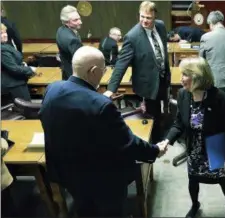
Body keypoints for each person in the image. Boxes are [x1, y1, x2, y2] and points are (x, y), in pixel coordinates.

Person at [39, 46, 168, 217]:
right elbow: (127, 143)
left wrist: (96, 100)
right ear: (93, 71)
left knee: (84, 210)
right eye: (103, 69)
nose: (104, 73)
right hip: (101, 180)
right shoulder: (101, 105)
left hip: (68, 173)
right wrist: (155, 150)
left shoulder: (52, 89)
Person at [160, 57, 225, 218]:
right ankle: (195, 204)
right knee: (193, 179)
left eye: (185, 74)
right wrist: (167, 140)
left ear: (198, 76)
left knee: (222, 180)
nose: (181, 78)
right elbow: (179, 123)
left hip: (215, 148)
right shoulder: (183, 94)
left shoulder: (220, 98)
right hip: (194, 149)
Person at [103, 1, 171, 144]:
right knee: (152, 115)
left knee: (163, 109)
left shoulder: (160, 26)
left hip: (163, 78)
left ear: (154, 16)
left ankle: (162, 132)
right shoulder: (132, 37)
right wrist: (111, 89)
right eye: (142, 17)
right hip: (148, 83)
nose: (145, 21)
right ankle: (154, 143)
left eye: (148, 18)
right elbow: (121, 64)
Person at [199, 11, 225, 105]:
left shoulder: (206, 37)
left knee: (213, 109)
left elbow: (201, 61)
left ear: (210, 23)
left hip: (214, 79)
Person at [1, 23, 36, 102]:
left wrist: (23, 63)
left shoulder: (5, 45)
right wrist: (30, 69)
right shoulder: (2, 50)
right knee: (26, 109)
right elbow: (13, 68)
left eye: (5, 32)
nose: (5, 35)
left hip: (15, 81)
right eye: (1, 33)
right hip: (14, 84)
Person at [56, 5, 83, 80]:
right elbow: (82, 60)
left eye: (79, 18)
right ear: (66, 22)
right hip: (75, 76)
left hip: (66, 72)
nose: (80, 22)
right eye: (75, 20)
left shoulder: (60, 30)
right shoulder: (72, 40)